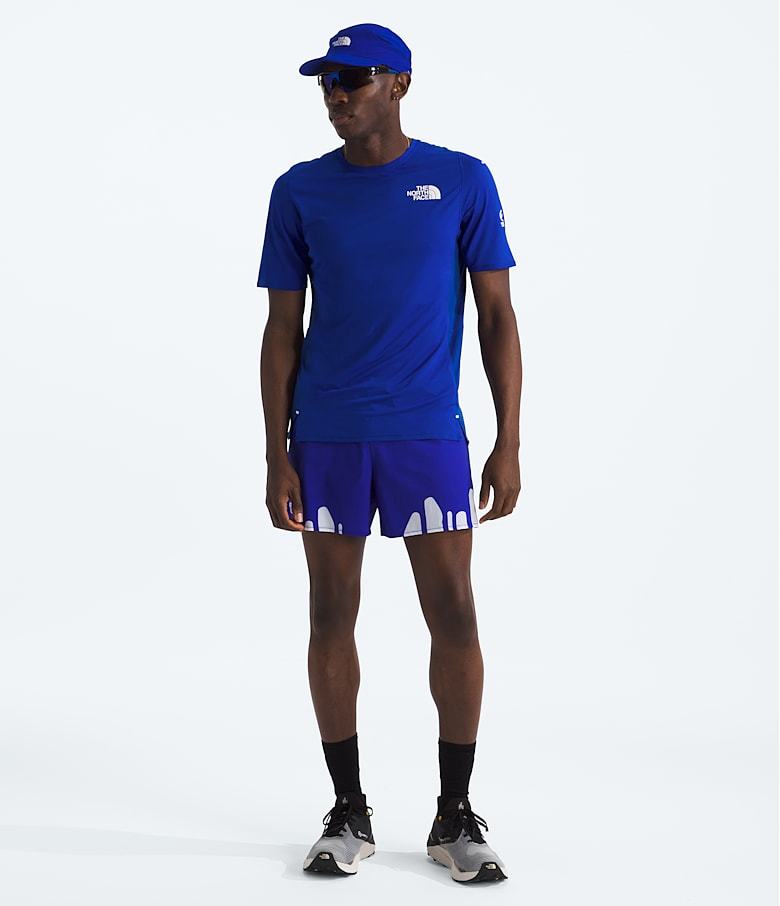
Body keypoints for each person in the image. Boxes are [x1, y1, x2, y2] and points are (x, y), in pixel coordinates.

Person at [256, 22, 522, 884]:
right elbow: (281, 330)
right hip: (328, 436)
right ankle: (348, 809)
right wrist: (275, 452)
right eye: (326, 82)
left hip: (427, 434)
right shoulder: (299, 190)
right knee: (330, 615)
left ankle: (455, 814)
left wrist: (509, 440)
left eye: (354, 78)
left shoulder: (460, 179)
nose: (337, 94)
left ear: (400, 84)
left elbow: (496, 316)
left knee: (455, 614)